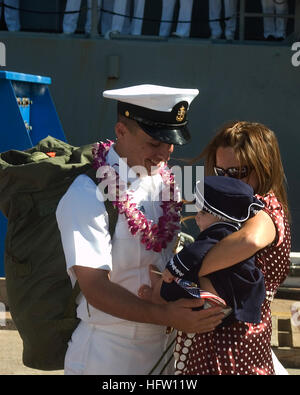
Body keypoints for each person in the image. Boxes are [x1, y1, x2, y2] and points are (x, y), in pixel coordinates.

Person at [56, 84, 225, 375]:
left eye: (172, 142)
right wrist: (164, 314)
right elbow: (95, 287)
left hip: (166, 348)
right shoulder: (87, 192)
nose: (166, 152)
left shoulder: (167, 182)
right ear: (121, 131)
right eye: (154, 142)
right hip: (109, 354)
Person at [175, 121, 291, 375]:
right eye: (220, 172)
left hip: (235, 352)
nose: (227, 181)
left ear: (264, 168)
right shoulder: (235, 209)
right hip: (216, 347)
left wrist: (181, 269)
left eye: (238, 173)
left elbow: (250, 240)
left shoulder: (262, 208)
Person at [160, 176, 266, 332]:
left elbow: (194, 253)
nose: (197, 217)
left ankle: (154, 295)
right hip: (238, 290)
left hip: (224, 291)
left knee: (169, 287)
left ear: (219, 216)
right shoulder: (232, 231)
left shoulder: (218, 231)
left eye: (203, 212)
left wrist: (172, 268)